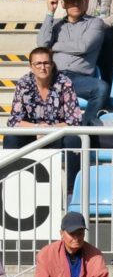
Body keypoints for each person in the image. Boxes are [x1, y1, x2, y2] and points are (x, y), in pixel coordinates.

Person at [4, 47, 83, 195]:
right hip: (32, 135)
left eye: (46, 63)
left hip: (58, 134)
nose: (43, 67)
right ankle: (10, 187)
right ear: (31, 66)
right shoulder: (23, 83)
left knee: (74, 140)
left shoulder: (64, 83)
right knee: (10, 138)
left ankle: (72, 191)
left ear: (52, 65)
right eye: (38, 63)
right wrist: (37, 128)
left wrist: (49, 130)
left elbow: (74, 120)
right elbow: (14, 120)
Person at [38, 0, 109, 127]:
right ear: (63, 4)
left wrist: (53, 46)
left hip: (78, 79)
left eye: (79, 1)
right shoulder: (55, 23)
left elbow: (83, 47)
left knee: (101, 88)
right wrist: (50, 12)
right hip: (54, 75)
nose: (76, 4)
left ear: (85, 2)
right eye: (71, 1)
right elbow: (41, 44)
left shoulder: (95, 23)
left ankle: (84, 127)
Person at [32, 211, 109, 277]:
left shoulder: (95, 254)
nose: (76, 238)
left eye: (80, 233)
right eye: (72, 233)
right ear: (61, 233)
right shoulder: (46, 254)